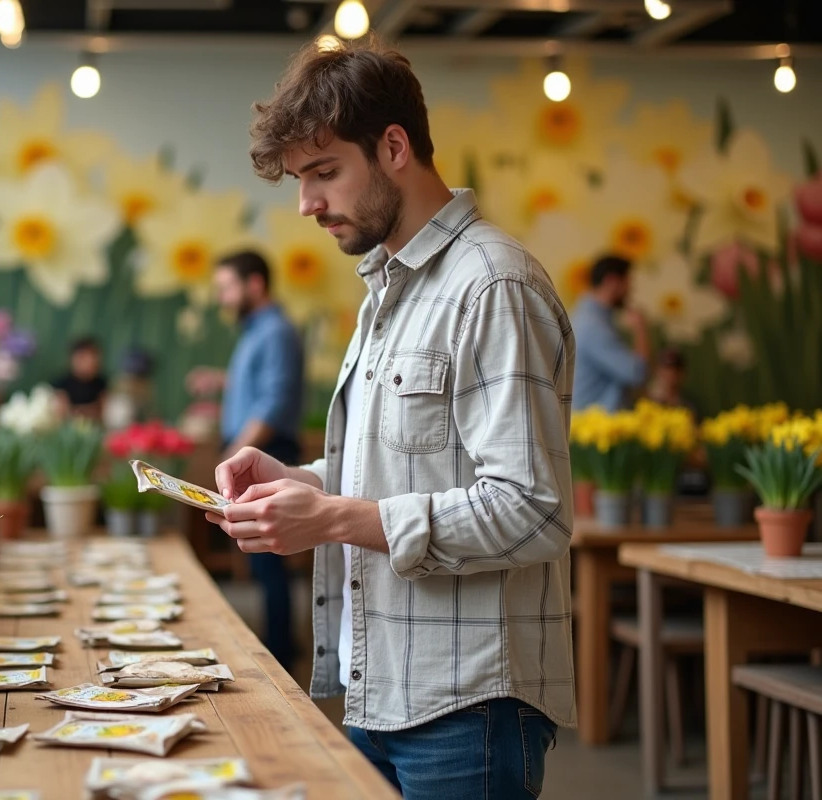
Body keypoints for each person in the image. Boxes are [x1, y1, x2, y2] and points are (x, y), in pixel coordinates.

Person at [206, 39, 574, 798]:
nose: (307, 205)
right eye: (301, 181)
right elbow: (406, 467)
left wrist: (333, 517)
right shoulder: (387, 290)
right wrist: (301, 481)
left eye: (324, 172)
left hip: (466, 705)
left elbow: (533, 510)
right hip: (377, 689)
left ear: (395, 147)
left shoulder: (492, 285)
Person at [186, 250, 304, 671]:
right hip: (255, 453)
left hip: (266, 455)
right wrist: (222, 380)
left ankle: (280, 653)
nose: (222, 298)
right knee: (260, 558)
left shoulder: (275, 332)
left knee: (268, 560)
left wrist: (234, 453)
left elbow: (273, 404)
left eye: (227, 287)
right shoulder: (259, 331)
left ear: (255, 284)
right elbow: (260, 383)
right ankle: (278, 645)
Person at [571, 255, 649, 411]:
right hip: (595, 423)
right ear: (611, 281)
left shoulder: (589, 318)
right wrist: (640, 329)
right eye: (627, 283)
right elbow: (637, 374)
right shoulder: (593, 326)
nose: (630, 291)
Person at [52, 336, 109, 422]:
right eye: (83, 357)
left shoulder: (101, 383)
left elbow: (102, 411)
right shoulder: (62, 383)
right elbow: (61, 411)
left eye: (92, 357)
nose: (89, 362)